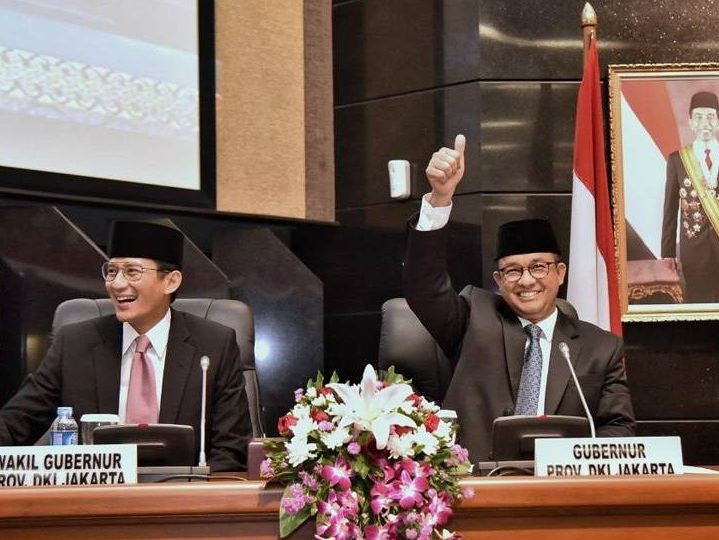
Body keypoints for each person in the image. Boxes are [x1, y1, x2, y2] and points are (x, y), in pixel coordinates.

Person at [403, 134, 635, 462]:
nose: (526, 280)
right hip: (476, 488)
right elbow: (423, 287)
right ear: (498, 280)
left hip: (560, 492)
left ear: (561, 273)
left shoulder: (601, 348)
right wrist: (440, 199)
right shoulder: (473, 317)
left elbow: (618, 429)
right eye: (512, 271)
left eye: (538, 268)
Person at [0, 221, 251, 471]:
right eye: (111, 271)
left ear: (171, 281)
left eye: (132, 272)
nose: (117, 284)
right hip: (94, 500)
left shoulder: (214, 345)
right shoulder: (74, 344)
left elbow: (231, 450)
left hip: (181, 499)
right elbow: (15, 423)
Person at [662, 91, 719, 303]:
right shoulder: (678, 160)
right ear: (691, 122)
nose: (705, 123)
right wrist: (667, 252)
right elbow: (670, 209)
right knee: (698, 305)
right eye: (699, 117)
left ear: (718, 121)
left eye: (710, 117)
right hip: (694, 249)